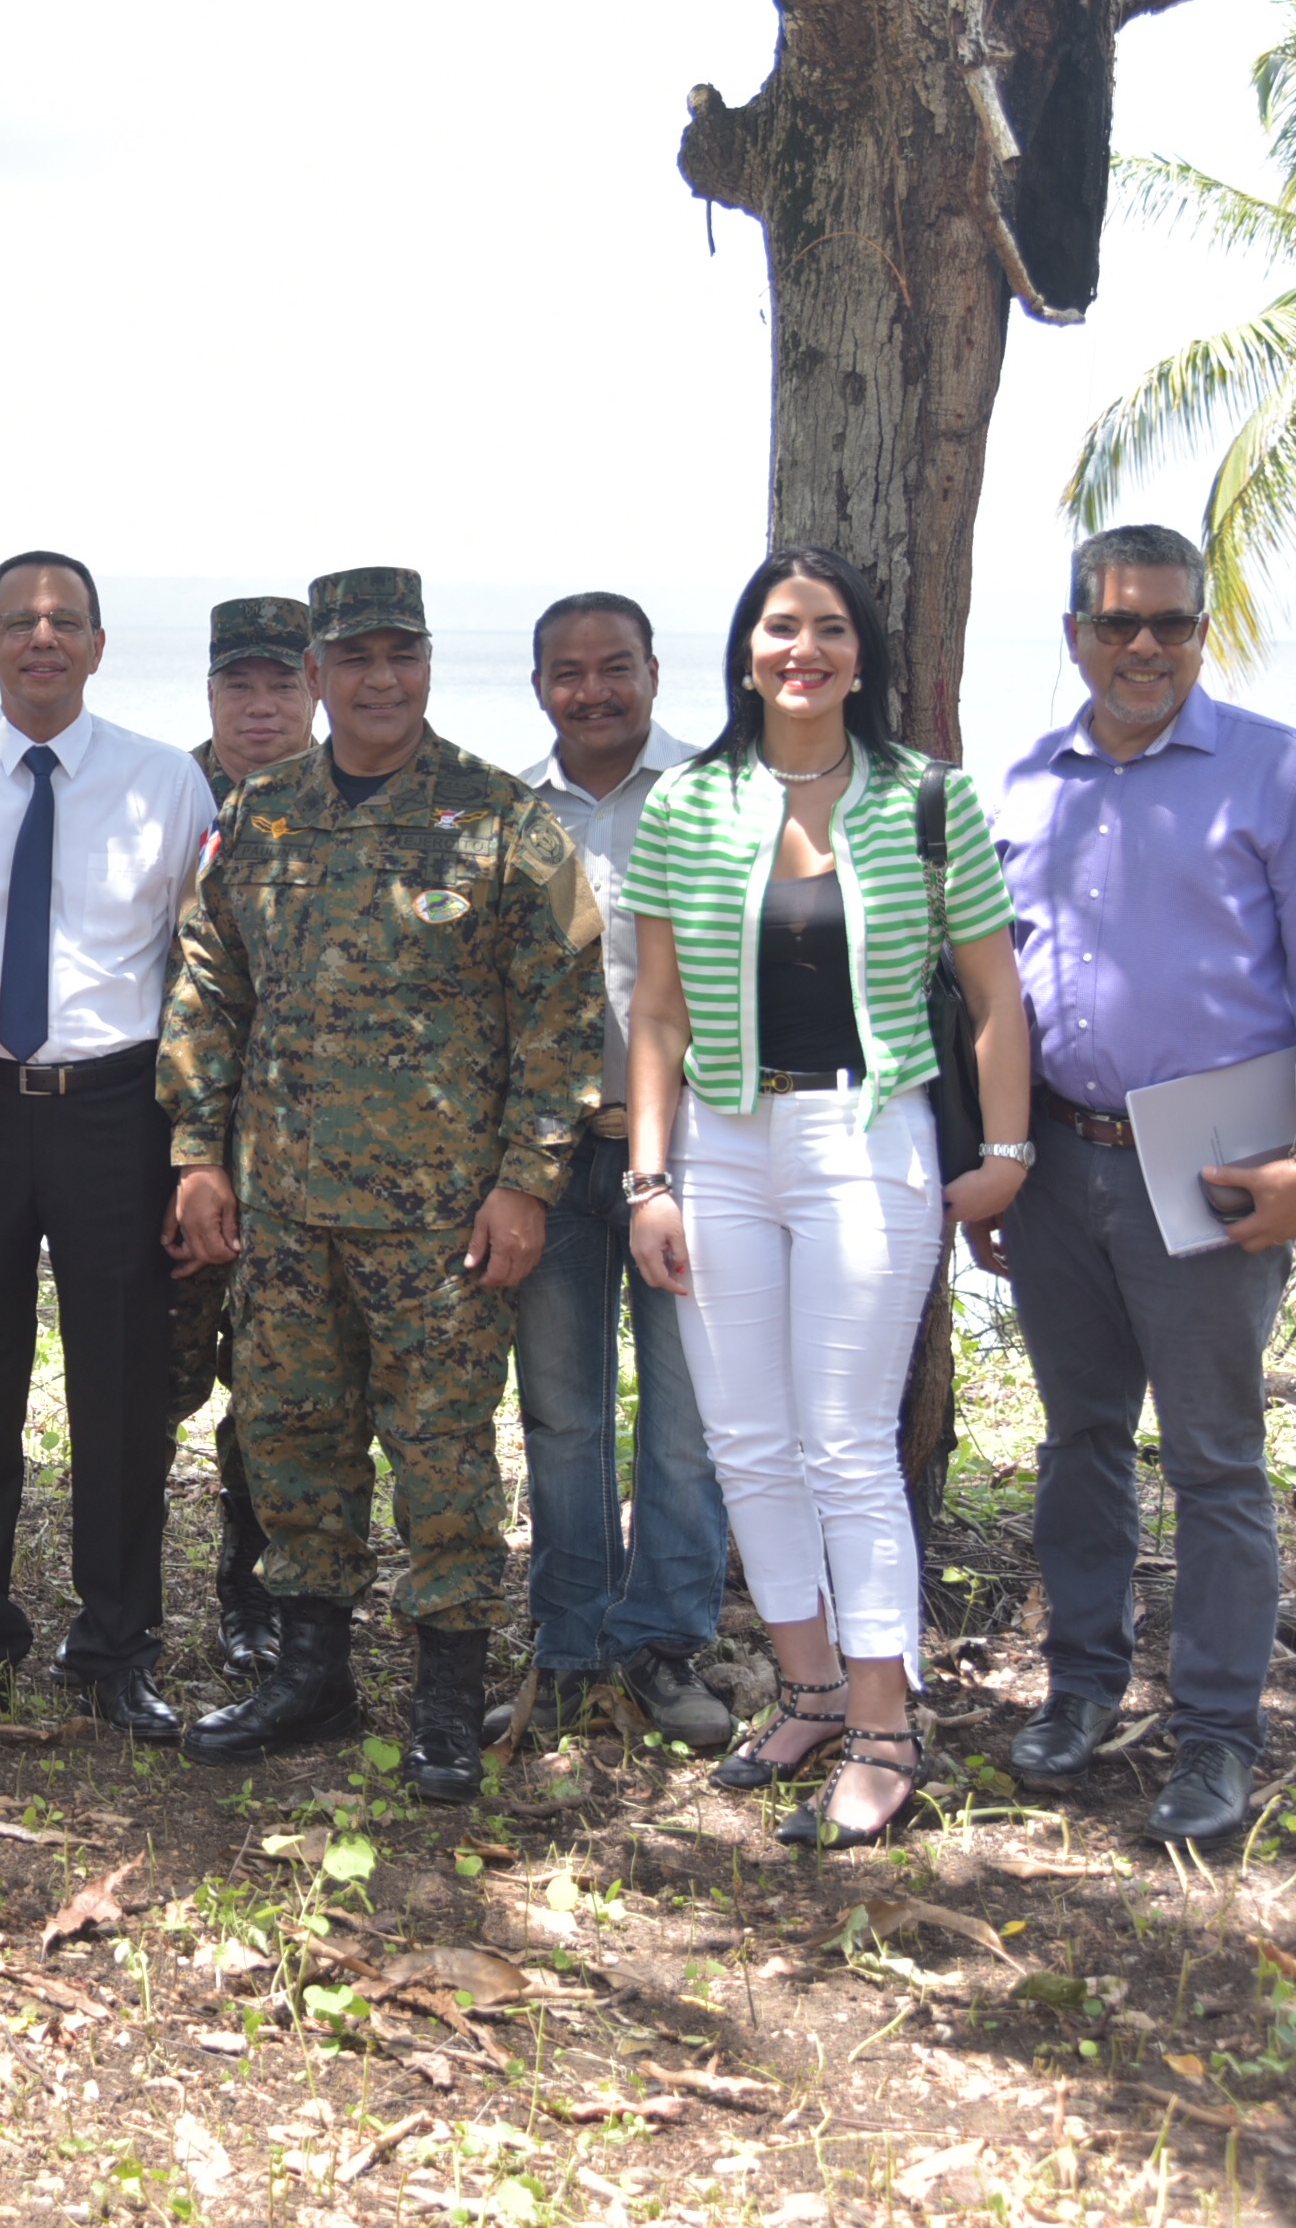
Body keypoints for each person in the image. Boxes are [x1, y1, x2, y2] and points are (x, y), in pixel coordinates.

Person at [163, 566, 604, 1803]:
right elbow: (207, 990)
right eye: (351, 656)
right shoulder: (260, 818)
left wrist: (524, 1183)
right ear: (314, 674)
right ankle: (310, 1673)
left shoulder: (501, 820)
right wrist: (198, 1153)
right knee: (290, 1444)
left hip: (441, 1220)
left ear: (425, 662)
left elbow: (563, 1019)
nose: (377, 678)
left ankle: (448, 1696)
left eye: (398, 653)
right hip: (288, 1210)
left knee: (443, 1459)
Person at [622, 546, 1030, 1848]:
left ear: (864, 657)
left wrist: (1008, 1156)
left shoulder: (925, 801)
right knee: (745, 1436)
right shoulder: (688, 805)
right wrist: (648, 1178)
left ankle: (884, 1728)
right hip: (724, 1144)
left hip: (869, 1138)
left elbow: (993, 996)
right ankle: (801, 1694)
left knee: (846, 1440)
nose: (805, 649)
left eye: (832, 629)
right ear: (746, 652)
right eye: (780, 627)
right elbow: (658, 1013)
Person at [984, 523, 1296, 1845]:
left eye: (1170, 623)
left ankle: (1215, 1735)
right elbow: (998, 990)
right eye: (1117, 623)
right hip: (1060, 1168)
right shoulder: (1030, 784)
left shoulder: (1278, 772)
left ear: (1204, 632)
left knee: (1215, 1464)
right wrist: (1003, 1154)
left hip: (1217, 1155)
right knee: (1079, 1443)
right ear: (1076, 635)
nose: (1144, 646)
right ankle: (1083, 1689)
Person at [0, 551, 215, 1738]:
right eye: (18, 621)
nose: (41, 637)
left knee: (121, 1386)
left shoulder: (167, 780)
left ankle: (116, 1640)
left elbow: (201, 970)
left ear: (96, 644)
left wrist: (194, 1149)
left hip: (115, 1106)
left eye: (64, 620)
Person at [494, 592, 733, 1752]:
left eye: (613, 666)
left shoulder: (713, 794)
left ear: (651, 669)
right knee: (559, 1413)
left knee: (686, 1422)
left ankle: (665, 1641)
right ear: (538, 684)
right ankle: (570, 1641)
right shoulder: (506, 815)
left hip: (690, 1155)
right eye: (566, 672)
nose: (591, 690)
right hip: (550, 1157)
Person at [177, 595, 312, 1679]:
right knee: (155, 1375)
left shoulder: (347, 798)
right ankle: (119, 1604)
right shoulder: (168, 794)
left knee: (276, 1393)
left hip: (310, 1158)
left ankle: (252, 1592)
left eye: (280, 682)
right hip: (172, 1145)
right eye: (239, 684)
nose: (259, 705)